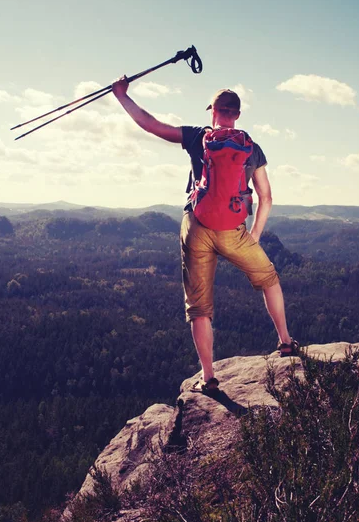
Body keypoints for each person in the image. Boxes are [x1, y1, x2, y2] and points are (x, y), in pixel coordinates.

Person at [111, 78, 299, 395]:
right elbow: (266, 197)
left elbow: (150, 125)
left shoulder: (199, 137)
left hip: (196, 225)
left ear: (213, 111)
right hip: (233, 230)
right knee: (269, 278)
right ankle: (284, 342)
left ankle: (208, 377)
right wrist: (253, 235)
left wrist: (121, 96)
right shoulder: (251, 147)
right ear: (236, 115)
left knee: (200, 307)